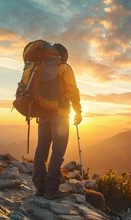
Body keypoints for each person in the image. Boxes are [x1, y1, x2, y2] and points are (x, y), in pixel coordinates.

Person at [32, 43, 82, 200]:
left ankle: (40, 187)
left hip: (43, 113)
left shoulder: (40, 67)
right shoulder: (65, 68)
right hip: (59, 113)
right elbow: (73, 90)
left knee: (41, 149)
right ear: (63, 56)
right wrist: (78, 111)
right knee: (58, 150)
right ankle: (51, 190)